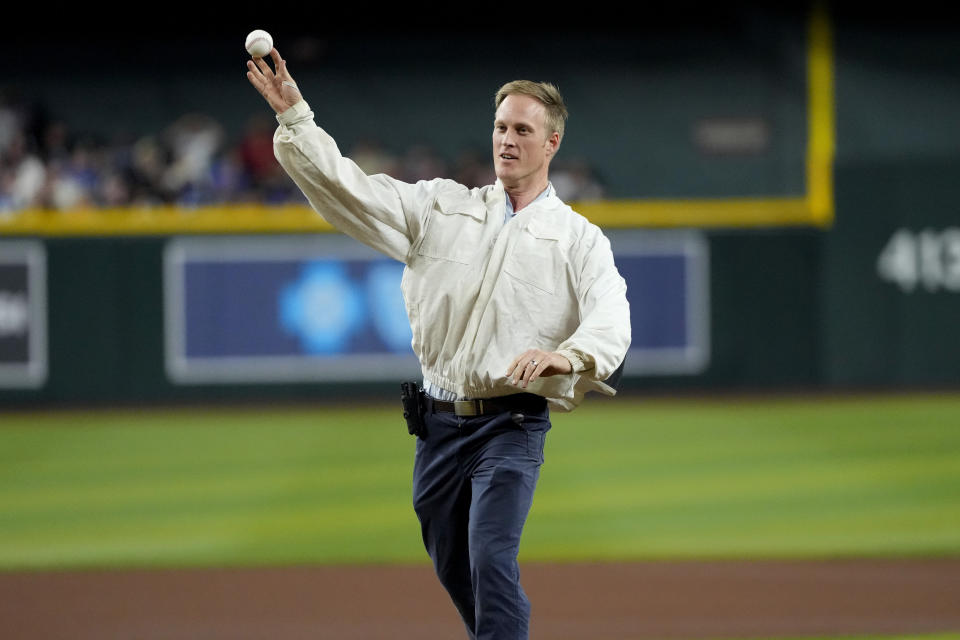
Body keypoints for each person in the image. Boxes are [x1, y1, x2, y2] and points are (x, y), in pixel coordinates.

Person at [247, 48, 631, 640]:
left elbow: (611, 315)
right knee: (455, 567)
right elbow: (350, 189)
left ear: (551, 143)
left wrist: (568, 355)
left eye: (523, 130)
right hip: (438, 425)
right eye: (501, 126)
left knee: (490, 558)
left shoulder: (577, 238)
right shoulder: (444, 207)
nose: (507, 139)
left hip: (512, 422)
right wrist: (296, 118)